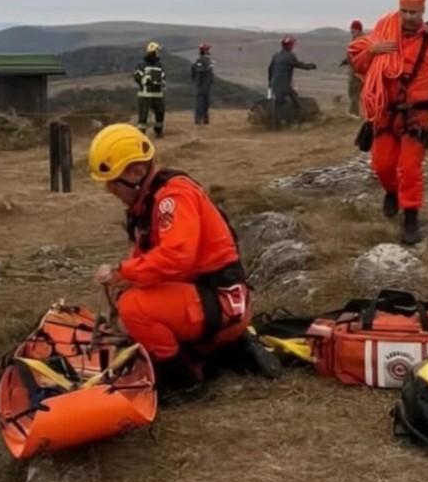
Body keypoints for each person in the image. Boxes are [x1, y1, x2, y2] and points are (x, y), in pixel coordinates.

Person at [87, 123, 282, 401]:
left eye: (112, 181)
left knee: (134, 309)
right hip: (211, 299)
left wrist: (122, 272)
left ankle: (182, 381)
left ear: (135, 172)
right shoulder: (150, 202)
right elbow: (149, 261)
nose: (109, 190)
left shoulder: (173, 198)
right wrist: (125, 279)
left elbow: (176, 257)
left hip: (221, 302)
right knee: (125, 307)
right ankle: (217, 353)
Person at [347, 0, 428, 245]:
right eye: (404, 11)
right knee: (382, 165)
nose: (408, 16)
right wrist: (372, 51)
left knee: (409, 169)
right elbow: (359, 65)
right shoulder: (383, 35)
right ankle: (391, 190)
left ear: (423, 11)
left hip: (417, 115)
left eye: (414, 12)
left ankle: (411, 216)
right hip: (385, 113)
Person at [267, 36, 317, 125]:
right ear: (290, 46)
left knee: (285, 101)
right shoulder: (290, 56)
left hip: (276, 83)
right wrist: (310, 66)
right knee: (286, 102)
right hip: (284, 84)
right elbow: (299, 65)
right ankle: (280, 124)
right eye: (292, 44)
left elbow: (270, 69)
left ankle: (281, 122)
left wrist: (270, 82)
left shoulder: (276, 56)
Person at [133, 42, 167, 137]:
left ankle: (158, 131)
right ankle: (141, 134)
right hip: (145, 94)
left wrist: (162, 84)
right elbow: (137, 76)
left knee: (160, 113)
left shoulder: (159, 65)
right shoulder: (142, 65)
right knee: (143, 116)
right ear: (153, 52)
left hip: (158, 94)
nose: (158, 54)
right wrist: (144, 81)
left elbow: (164, 77)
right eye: (157, 51)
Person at [339, 20, 365, 116]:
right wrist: (346, 61)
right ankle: (356, 112)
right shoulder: (357, 40)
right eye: (351, 30)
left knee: (355, 92)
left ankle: (354, 113)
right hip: (354, 70)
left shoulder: (362, 41)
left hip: (358, 72)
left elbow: (362, 56)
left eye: (354, 30)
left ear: (359, 30)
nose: (352, 32)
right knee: (353, 91)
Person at [190, 43, 214, 125]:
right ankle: (200, 119)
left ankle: (203, 118)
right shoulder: (205, 62)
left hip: (201, 85)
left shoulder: (198, 62)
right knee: (201, 103)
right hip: (203, 85)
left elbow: (193, 74)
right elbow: (206, 73)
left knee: (204, 102)